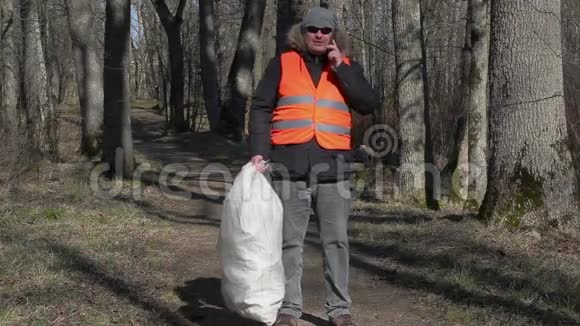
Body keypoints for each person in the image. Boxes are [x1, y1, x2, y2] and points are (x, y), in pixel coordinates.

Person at [248, 6, 379, 326]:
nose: (319, 34)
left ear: (334, 35)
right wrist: (259, 153)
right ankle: (289, 309)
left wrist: (341, 67)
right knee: (289, 241)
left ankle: (339, 310)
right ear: (302, 33)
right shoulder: (282, 64)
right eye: (313, 29)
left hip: (333, 167)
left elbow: (368, 103)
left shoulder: (346, 66)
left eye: (326, 30)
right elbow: (261, 108)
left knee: (335, 240)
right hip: (288, 166)